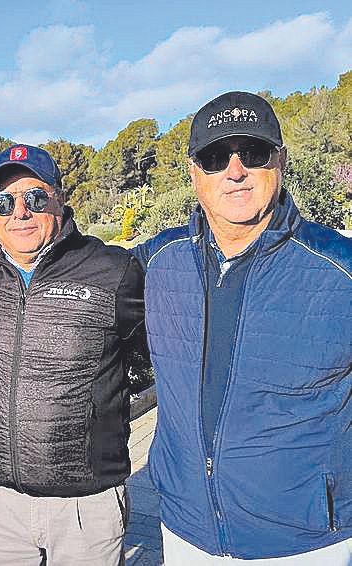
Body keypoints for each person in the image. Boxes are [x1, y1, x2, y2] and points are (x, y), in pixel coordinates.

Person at [134, 91, 352, 564]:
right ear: (194, 173)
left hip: (307, 544)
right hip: (186, 533)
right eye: (215, 157)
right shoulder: (158, 261)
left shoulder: (341, 271)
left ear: (281, 161)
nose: (235, 171)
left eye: (252, 154)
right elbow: (72, 274)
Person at [0, 144, 147, 565]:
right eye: (4, 201)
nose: (20, 212)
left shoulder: (114, 270)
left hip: (86, 505)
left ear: (59, 198)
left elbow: (148, 359)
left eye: (34, 197)